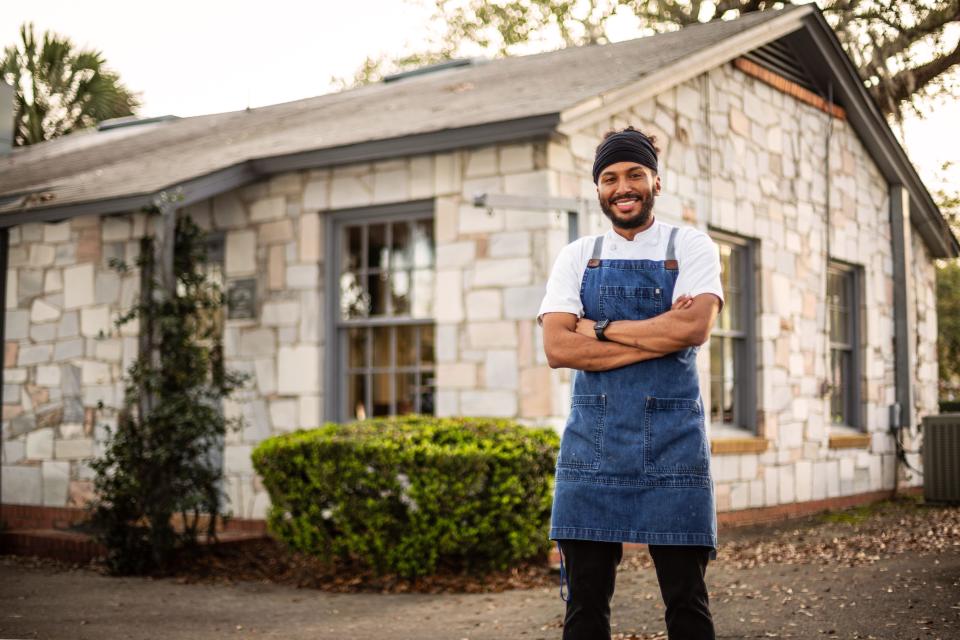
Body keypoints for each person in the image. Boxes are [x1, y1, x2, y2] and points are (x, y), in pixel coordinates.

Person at [538, 126, 724, 640]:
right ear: (598, 189)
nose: (623, 186)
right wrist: (658, 335)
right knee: (585, 609)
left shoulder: (690, 245)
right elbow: (558, 348)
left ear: (655, 182)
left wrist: (598, 329)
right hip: (590, 450)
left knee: (687, 604)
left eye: (635, 174)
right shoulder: (577, 255)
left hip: (674, 446)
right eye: (610, 177)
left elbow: (694, 327)